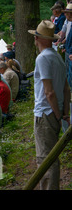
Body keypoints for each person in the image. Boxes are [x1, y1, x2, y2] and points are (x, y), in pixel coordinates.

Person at [28, 20, 70, 189]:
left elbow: (49, 92)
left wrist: (59, 116)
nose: (35, 40)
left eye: (36, 37)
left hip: (46, 113)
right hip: (55, 111)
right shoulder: (57, 58)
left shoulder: (43, 58)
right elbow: (66, 89)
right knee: (51, 158)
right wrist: (64, 112)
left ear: (39, 39)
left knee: (45, 160)